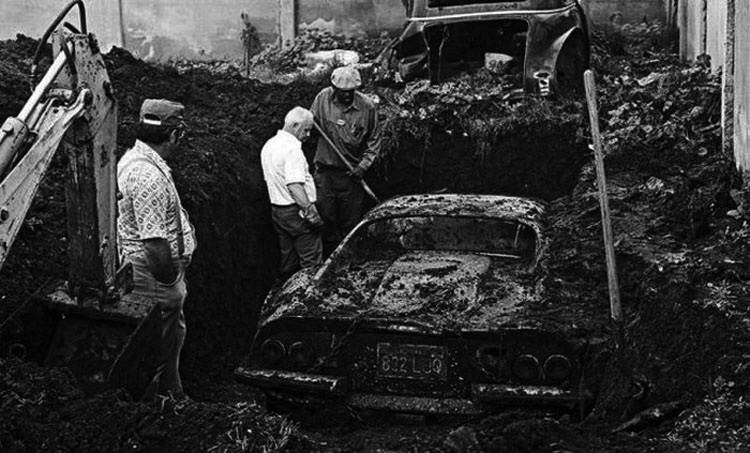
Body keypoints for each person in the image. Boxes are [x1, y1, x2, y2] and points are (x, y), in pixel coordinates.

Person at [117, 98, 197, 400]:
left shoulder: (138, 160)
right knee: (159, 348)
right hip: (153, 277)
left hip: (150, 273)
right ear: (175, 135)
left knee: (170, 340)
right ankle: (157, 407)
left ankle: (171, 397)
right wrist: (169, 280)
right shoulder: (147, 175)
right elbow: (154, 244)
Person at [310, 65, 381, 256]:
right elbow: (310, 124)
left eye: (351, 92)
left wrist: (363, 166)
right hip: (325, 175)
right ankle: (327, 260)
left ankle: (349, 259)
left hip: (351, 178)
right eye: (343, 92)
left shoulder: (367, 107)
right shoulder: (322, 98)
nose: (348, 96)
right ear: (334, 89)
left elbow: (374, 141)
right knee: (325, 220)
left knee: (350, 224)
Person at [261, 106, 323, 282]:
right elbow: (294, 185)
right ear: (295, 126)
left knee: (288, 258)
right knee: (312, 263)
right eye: (306, 130)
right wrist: (311, 213)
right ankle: (311, 297)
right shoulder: (292, 150)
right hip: (297, 212)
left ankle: (285, 292)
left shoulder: (270, 144)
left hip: (278, 211)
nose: (308, 135)